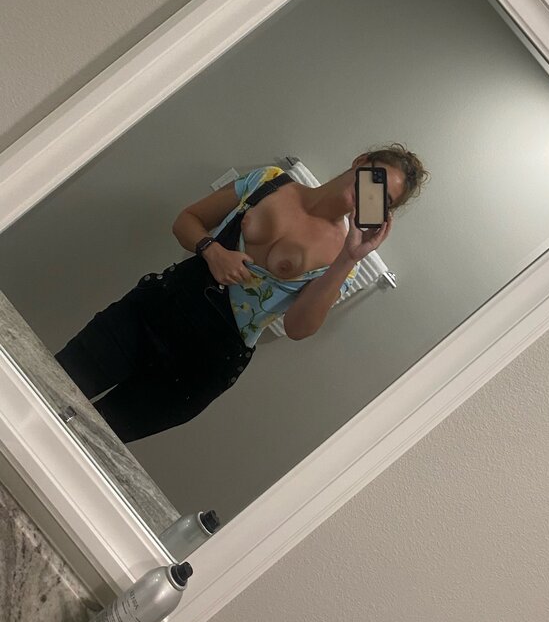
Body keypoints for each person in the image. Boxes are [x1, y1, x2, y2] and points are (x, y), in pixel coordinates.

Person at [55, 145, 428, 443]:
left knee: (92, 440)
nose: (370, 193)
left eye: (384, 198)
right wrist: (212, 251)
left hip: (203, 364)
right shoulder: (270, 181)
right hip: (154, 311)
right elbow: (186, 220)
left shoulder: (345, 262)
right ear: (361, 162)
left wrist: (349, 256)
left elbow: (298, 328)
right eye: (375, 178)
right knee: (58, 380)